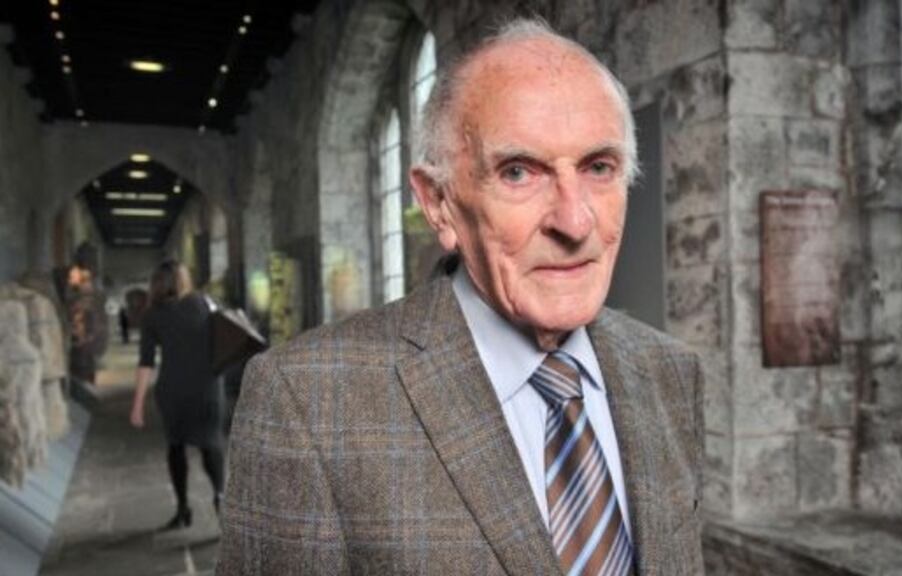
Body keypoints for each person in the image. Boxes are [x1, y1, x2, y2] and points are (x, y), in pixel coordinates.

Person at [218, 18, 704, 575]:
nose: (575, 221)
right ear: (439, 204)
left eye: (599, 167)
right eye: (519, 172)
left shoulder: (671, 372)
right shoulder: (309, 402)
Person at [130, 260, 225, 530]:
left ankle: (183, 509)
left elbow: (146, 362)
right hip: (208, 388)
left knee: (176, 448)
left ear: (157, 284)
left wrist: (137, 405)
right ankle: (220, 497)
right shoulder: (205, 303)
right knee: (212, 444)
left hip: (173, 391)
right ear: (183, 279)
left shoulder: (152, 315)